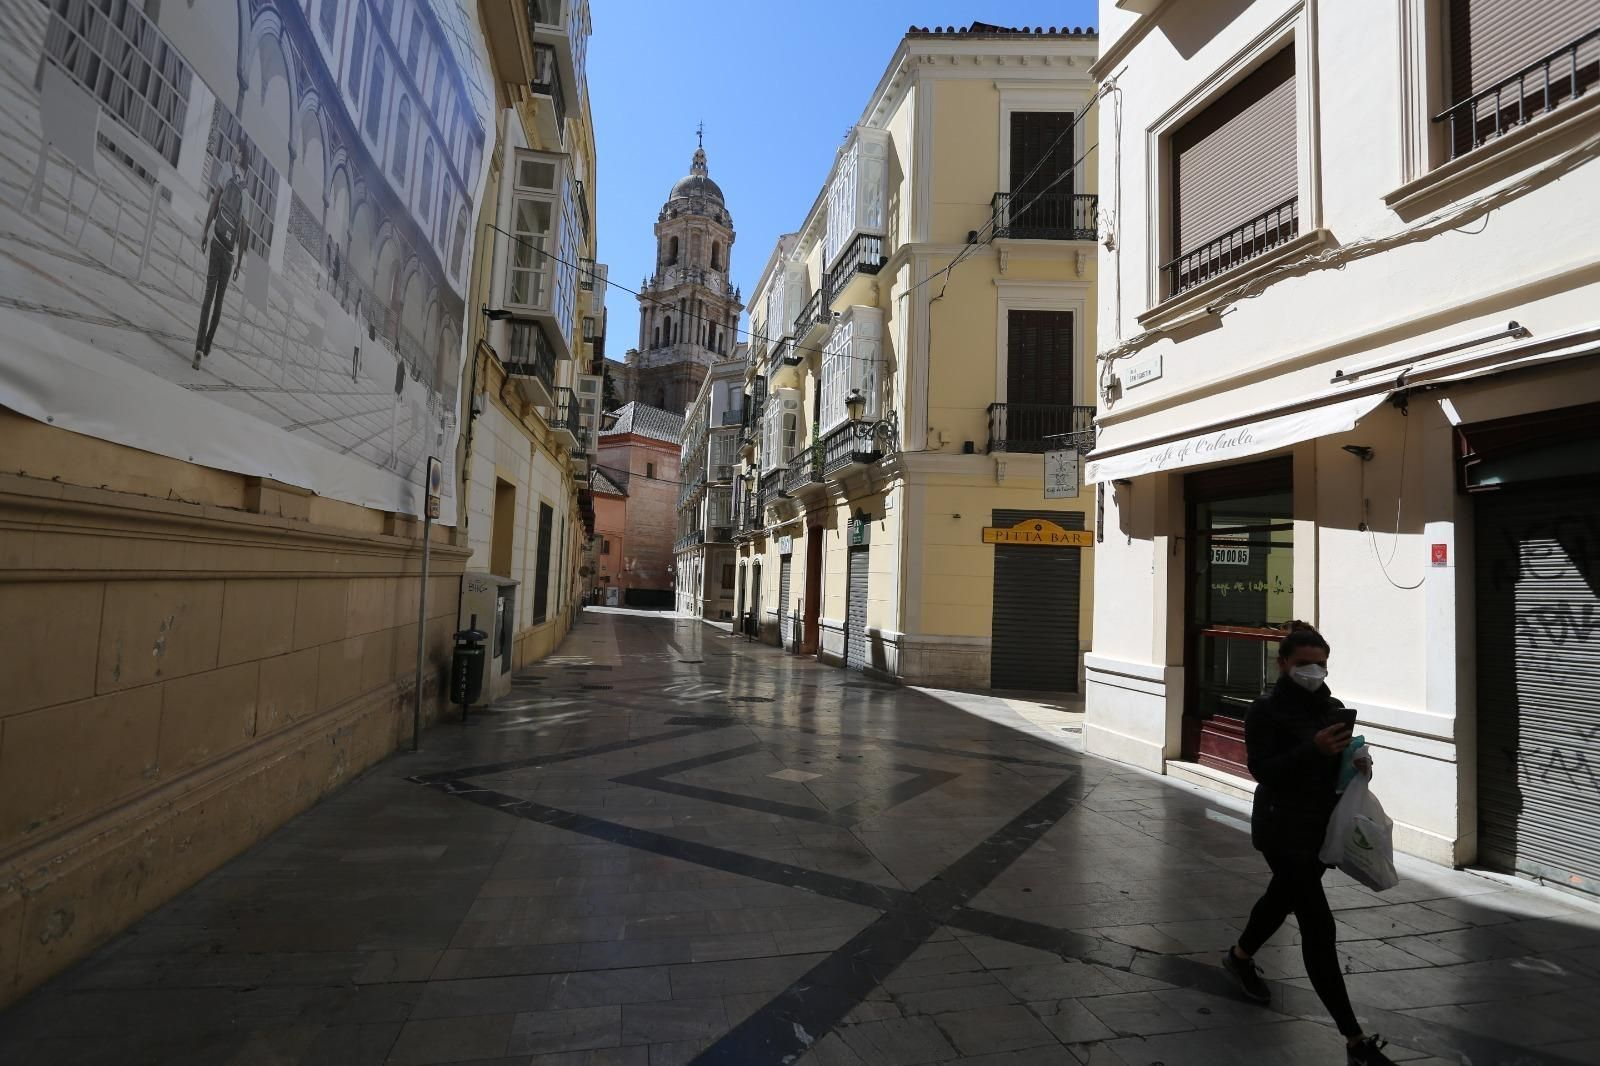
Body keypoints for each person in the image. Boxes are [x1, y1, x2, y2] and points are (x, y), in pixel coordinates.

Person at [1221, 621, 1395, 1066]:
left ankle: (1240, 957)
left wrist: (1356, 765)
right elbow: (1263, 770)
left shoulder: (1332, 707)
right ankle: (1355, 1041)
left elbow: (1332, 768)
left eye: (1321, 664)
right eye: (1304, 664)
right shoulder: (1265, 710)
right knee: (1319, 926)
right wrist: (1312, 749)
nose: (1313, 671)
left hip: (1320, 829)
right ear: (1283, 664)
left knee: (1281, 898)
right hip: (1282, 830)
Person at [194, 139, 248, 369]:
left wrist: (206, 230)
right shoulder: (246, 192)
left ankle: (198, 348)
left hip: (217, 241)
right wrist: (239, 263)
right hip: (229, 252)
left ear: (240, 155)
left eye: (237, 148)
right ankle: (207, 345)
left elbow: (215, 200)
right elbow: (244, 230)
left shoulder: (227, 168)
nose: (233, 150)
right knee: (219, 301)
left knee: (208, 296)